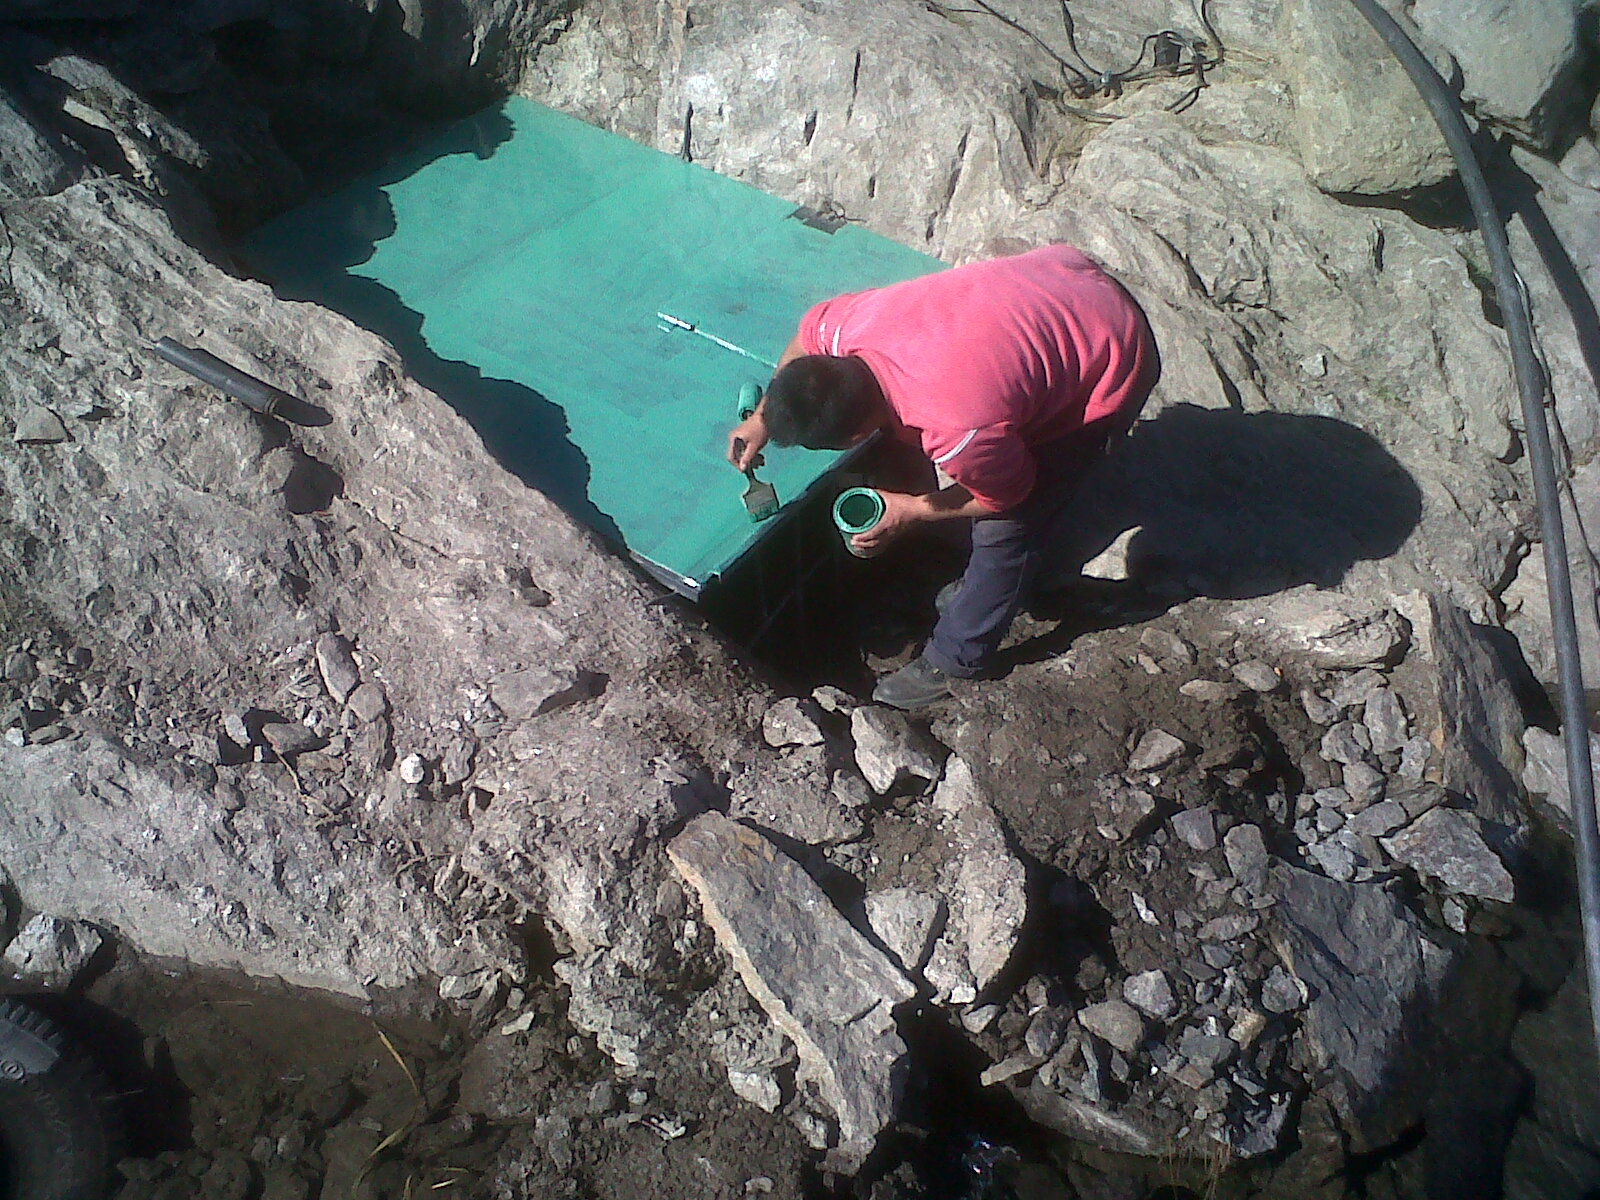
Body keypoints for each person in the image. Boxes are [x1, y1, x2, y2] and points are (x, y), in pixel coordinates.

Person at [727, 243, 1159, 709]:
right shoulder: (849, 327)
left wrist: (907, 510)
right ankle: (986, 591)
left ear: (855, 437)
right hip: (1055, 280)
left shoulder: (955, 427)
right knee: (1005, 442)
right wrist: (763, 418)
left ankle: (959, 657)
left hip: (1113, 345)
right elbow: (805, 339)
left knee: (1013, 528)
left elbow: (1008, 496)